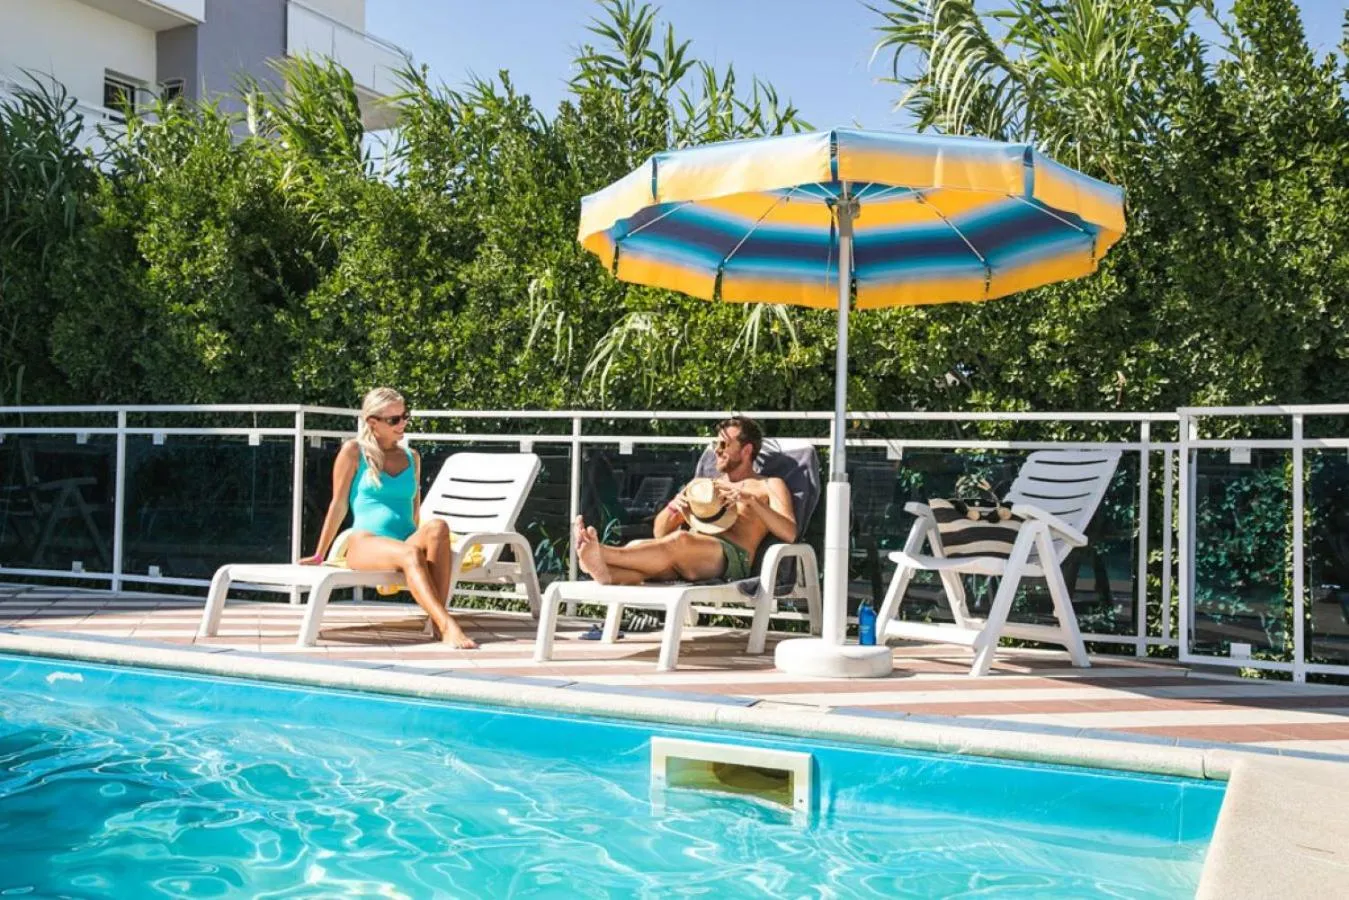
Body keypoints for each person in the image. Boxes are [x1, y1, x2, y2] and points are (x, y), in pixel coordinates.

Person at [301, 387, 477, 649]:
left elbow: (415, 511)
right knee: (410, 555)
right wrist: (319, 554)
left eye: (404, 416)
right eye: (394, 419)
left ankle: (437, 622)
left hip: (405, 541)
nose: (402, 423)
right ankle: (447, 625)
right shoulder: (353, 451)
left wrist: (428, 545)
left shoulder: (411, 456)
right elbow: (337, 504)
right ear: (373, 422)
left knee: (438, 527)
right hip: (366, 543)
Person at [573, 416, 795, 585]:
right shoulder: (703, 487)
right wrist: (673, 508)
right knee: (639, 546)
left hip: (731, 558)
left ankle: (600, 552)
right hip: (687, 556)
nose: (716, 451)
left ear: (747, 450)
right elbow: (660, 533)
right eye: (716, 444)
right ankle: (602, 572)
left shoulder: (769, 485)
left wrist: (753, 501)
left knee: (681, 540)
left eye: (724, 445)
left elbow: (789, 532)